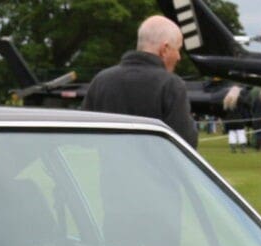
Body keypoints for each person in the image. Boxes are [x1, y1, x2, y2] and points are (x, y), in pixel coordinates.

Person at [84, 15, 197, 147]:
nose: (179, 57)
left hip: (110, 160)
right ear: (164, 49)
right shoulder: (171, 85)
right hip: (155, 161)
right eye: (178, 49)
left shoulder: (100, 80)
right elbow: (185, 142)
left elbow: (84, 136)